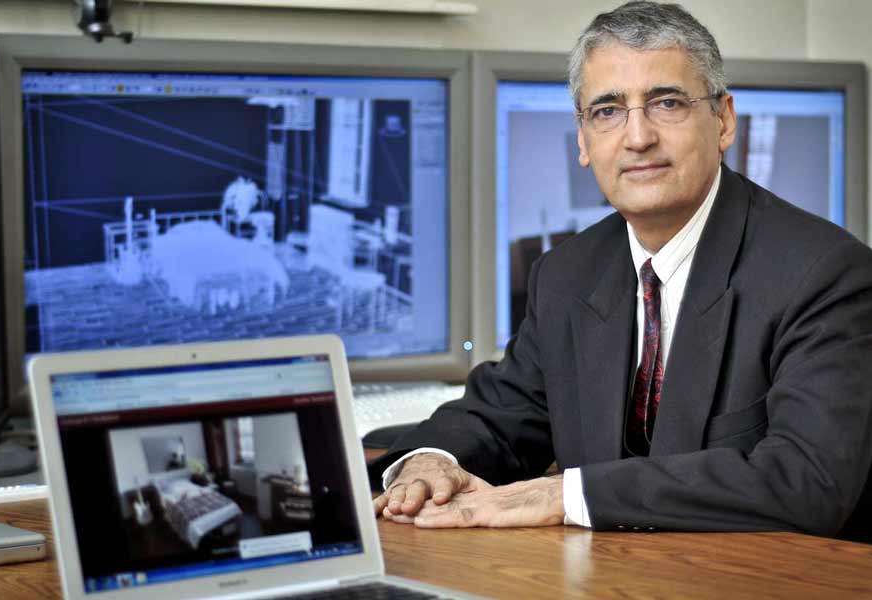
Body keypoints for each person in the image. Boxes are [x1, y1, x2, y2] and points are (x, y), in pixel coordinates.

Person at [370, 0, 872, 539]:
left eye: (667, 102)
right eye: (608, 111)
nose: (637, 138)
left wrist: (563, 494)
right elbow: (499, 416)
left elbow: (806, 480)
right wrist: (431, 461)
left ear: (723, 120)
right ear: (584, 140)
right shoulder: (567, 273)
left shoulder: (825, 274)